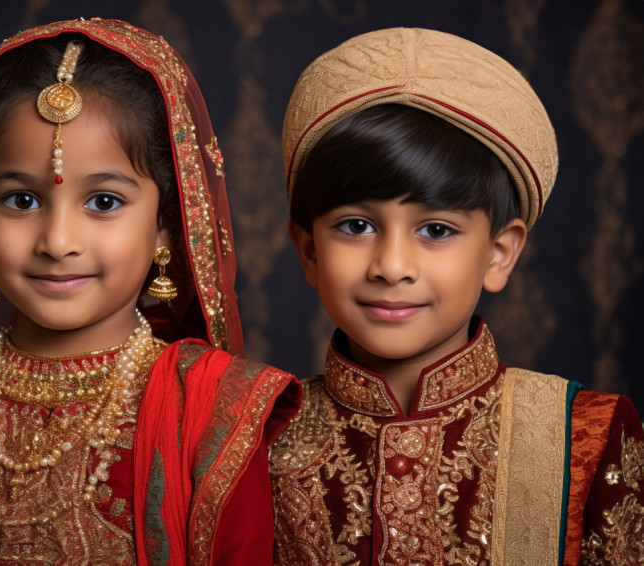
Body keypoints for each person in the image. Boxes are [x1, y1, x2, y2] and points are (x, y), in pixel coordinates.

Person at [0, 18, 301, 566]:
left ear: (167, 226)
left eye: (103, 202)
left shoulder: (215, 411)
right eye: (21, 201)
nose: (57, 242)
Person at [269, 27, 644, 565]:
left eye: (437, 231)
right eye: (355, 226)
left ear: (499, 253)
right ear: (308, 249)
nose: (392, 267)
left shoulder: (587, 432)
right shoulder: (260, 438)